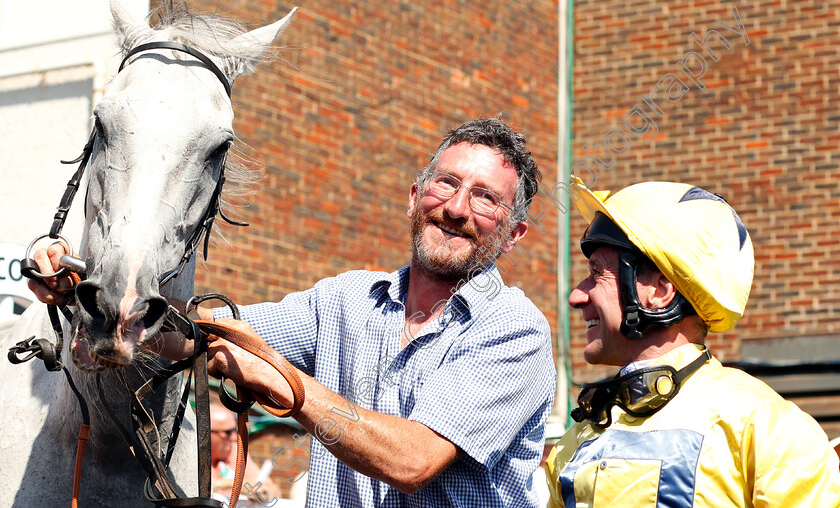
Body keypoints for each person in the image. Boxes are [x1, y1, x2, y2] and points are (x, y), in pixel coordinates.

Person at [31, 118, 556, 506]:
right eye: (447, 183)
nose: (458, 208)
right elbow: (198, 337)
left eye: (486, 198)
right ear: (415, 196)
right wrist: (91, 294)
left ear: (514, 235)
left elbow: (413, 460)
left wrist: (290, 387)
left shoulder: (515, 331)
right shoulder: (346, 300)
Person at [545, 178, 840, 507]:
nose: (575, 296)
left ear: (659, 290)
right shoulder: (576, 440)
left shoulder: (767, 429)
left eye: (597, 273)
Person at [209, 402, 282, 506]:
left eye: (235, 430)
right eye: (228, 432)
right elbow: (193, 489)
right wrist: (235, 485)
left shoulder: (234, 450)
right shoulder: (192, 453)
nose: (234, 437)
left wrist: (266, 493)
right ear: (207, 432)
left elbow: (275, 490)